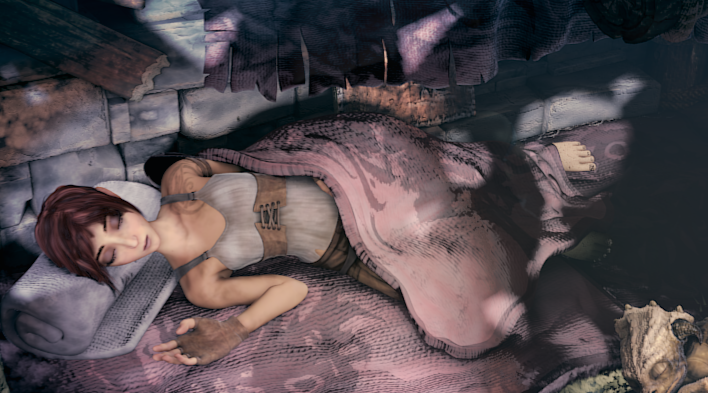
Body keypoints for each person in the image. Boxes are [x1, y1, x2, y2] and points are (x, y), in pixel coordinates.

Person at [34, 142, 598, 366]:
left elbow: (267, 159)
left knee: (468, 204)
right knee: (467, 301)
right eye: (110, 255)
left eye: (114, 224)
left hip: (356, 192)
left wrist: (326, 167)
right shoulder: (199, 282)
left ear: (117, 203)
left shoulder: (181, 178)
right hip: (352, 252)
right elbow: (292, 287)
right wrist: (232, 332)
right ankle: (567, 263)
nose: (129, 242)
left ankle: (565, 218)